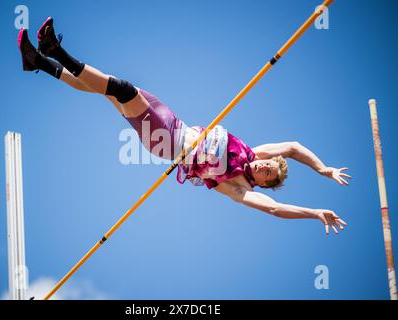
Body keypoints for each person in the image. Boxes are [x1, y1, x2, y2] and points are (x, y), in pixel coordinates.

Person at [18, 17, 351, 236]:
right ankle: (38, 63)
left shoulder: (238, 187)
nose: (265, 164)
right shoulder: (254, 152)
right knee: (103, 89)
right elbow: (292, 147)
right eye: (270, 163)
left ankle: (55, 49)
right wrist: (323, 169)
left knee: (122, 89)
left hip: (167, 141)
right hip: (172, 119)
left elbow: (276, 210)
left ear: (262, 183)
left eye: (268, 172)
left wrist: (314, 212)